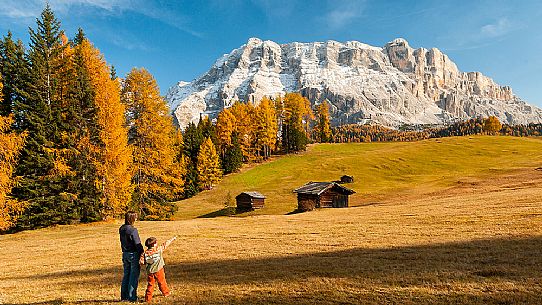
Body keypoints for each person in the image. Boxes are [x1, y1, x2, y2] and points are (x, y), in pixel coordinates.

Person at [139, 235, 177, 302]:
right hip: (159, 270)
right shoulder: (158, 250)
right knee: (162, 282)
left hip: (150, 272)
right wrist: (172, 239)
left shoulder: (144, 253)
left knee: (150, 285)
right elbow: (165, 244)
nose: (157, 243)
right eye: (156, 242)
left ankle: (148, 299)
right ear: (154, 244)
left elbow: (141, 262)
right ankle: (166, 293)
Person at [119, 211, 144, 302]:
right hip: (133, 254)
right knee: (133, 276)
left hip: (125, 254)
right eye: (135, 217)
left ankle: (124, 296)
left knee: (126, 275)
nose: (136, 219)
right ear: (132, 218)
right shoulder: (133, 230)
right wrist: (142, 253)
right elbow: (137, 243)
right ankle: (132, 297)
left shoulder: (121, 228)